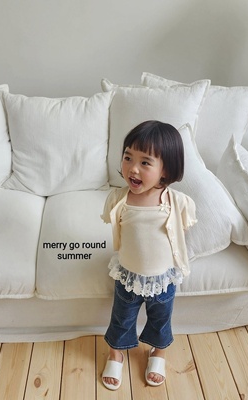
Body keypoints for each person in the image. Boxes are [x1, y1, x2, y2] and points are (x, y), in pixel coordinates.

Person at [100, 120, 197, 390]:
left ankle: (159, 353)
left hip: (163, 279)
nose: (133, 168)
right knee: (121, 319)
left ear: (166, 169)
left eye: (145, 162)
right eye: (128, 157)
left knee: (161, 320)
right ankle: (116, 354)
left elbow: (180, 233)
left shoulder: (178, 203)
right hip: (128, 276)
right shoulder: (118, 199)